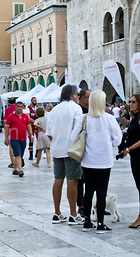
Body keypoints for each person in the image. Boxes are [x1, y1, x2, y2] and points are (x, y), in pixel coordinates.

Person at [70, 90, 122, 233]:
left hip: (88, 161)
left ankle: (87, 221)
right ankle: (100, 224)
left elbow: (73, 137)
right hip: (104, 161)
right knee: (101, 193)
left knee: (88, 192)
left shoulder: (83, 118)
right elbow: (118, 141)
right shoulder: (110, 119)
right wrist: (107, 141)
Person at [46, 84, 84, 225]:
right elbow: (78, 130)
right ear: (73, 95)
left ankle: (57, 213)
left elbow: (49, 134)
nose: (78, 98)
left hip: (56, 149)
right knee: (72, 181)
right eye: (77, 96)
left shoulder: (54, 110)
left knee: (58, 180)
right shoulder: (76, 108)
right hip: (71, 149)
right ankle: (73, 214)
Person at [121, 94, 140, 228]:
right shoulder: (134, 119)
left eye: (134, 102)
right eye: (130, 101)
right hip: (134, 156)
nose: (131, 104)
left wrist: (128, 149)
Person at [4, 101, 33, 177]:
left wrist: (31, 136)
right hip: (14, 138)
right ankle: (20, 170)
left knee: (20, 156)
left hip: (23, 139)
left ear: (23, 107)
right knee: (17, 155)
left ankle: (14, 170)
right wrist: (6, 138)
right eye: (18, 106)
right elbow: (6, 127)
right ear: (15, 107)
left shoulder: (25, 116)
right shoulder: (11, 116)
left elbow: (28, 126)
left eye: (21, 107)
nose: (20, 108)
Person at [77, 89, 91, 217]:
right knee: (80, 179)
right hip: (81, 149)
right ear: (81, 98)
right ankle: (81, 206)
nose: (91, 100)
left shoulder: (94, 111)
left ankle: (98, 205)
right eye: (88, 97)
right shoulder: (78, 111)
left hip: (93, 149)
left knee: (95, 179)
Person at [4, 97, 16, 168]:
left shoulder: (7, 109)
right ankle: (18, 160)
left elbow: (5, 120)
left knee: (11, 146)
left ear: (9, 103)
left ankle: (12, 162)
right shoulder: (18, 108)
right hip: (19, 129)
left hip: (10, 130)